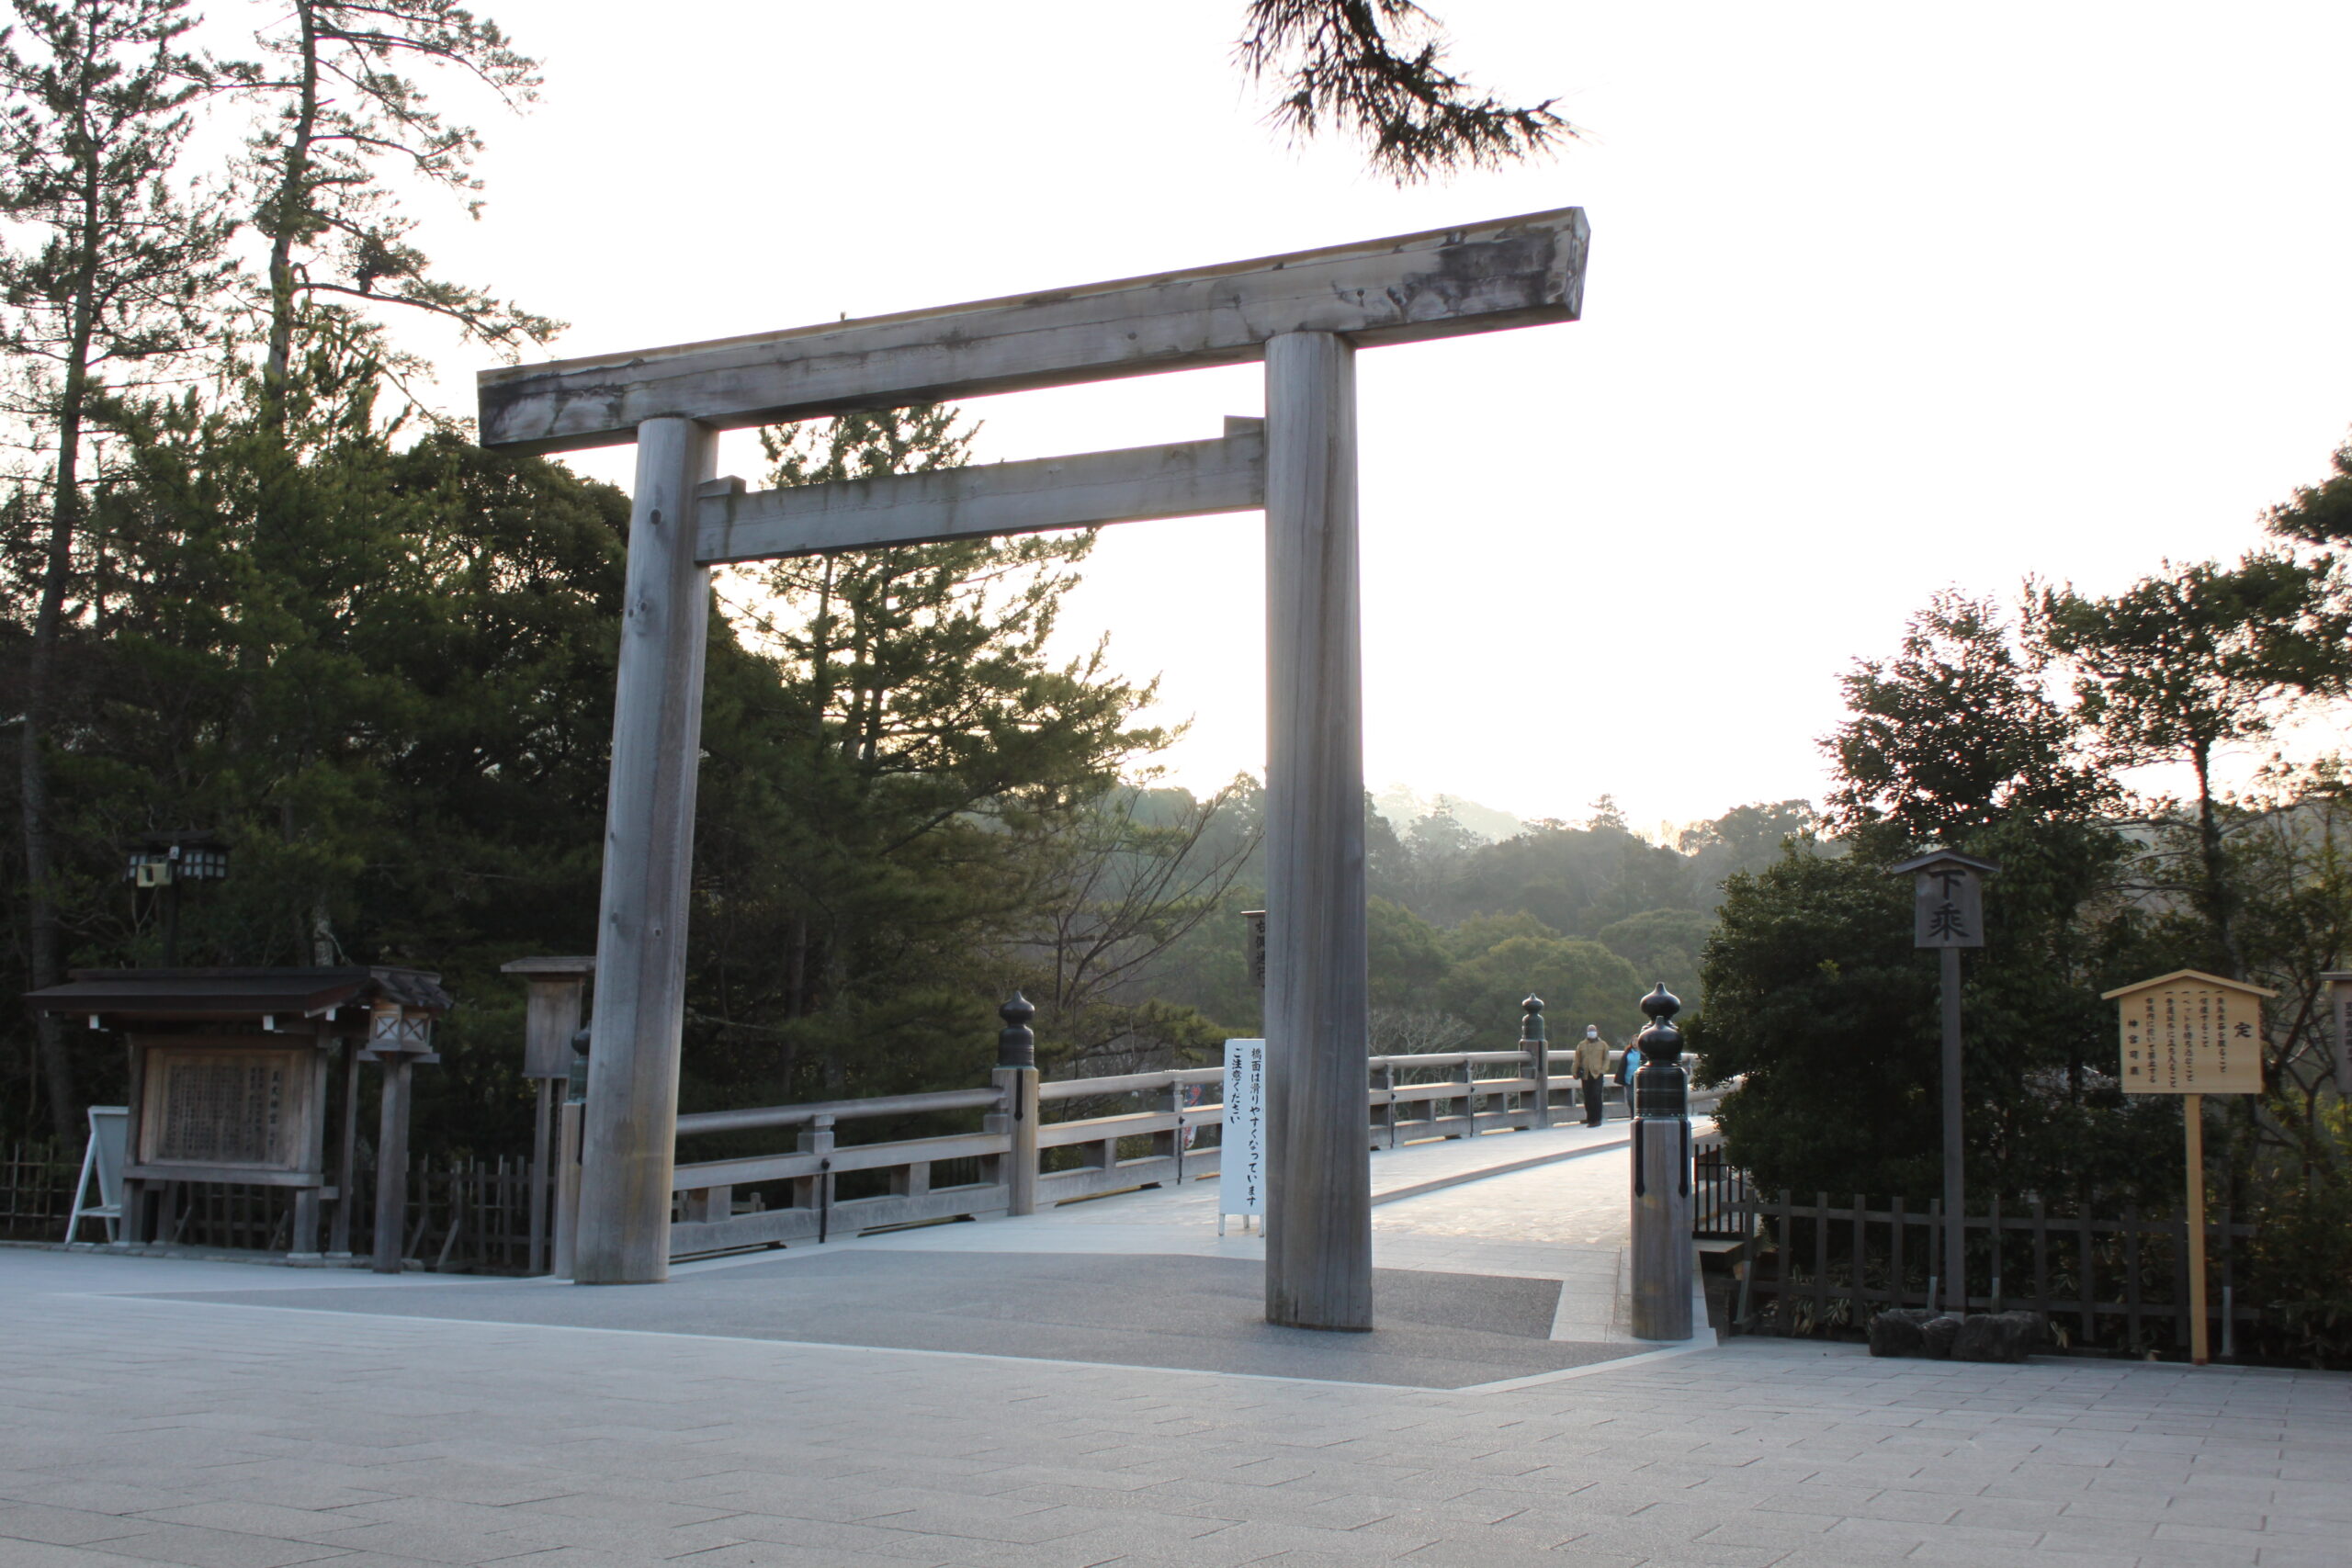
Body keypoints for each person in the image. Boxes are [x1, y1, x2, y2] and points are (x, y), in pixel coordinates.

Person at [1575, 1024, 1610, 1126]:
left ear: (1597, 1031)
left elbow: (1606, 1059)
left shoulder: (1603, 1044)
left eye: (1593, 1030)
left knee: (1596, 1095)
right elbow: (1577, 1059)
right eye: (1589, 1030)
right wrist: (1574, 1072)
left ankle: (1597, 1119)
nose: (1591, 1032)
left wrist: (1603, 1070)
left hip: (1597, 1073)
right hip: (1585, 1074)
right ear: (1586, 1032)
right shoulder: (1581, 1045)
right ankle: (1590, 1119)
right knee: (1587, 1097)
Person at [1615, 1036, 1644, 1119]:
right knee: (1630, 1097)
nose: (1635, 1043)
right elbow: (1622, 1065)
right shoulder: (1628, 1053)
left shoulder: (1643, 1053)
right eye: (1633, 1041)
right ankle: (1633, 1112)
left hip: (1640, 1078)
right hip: (1629, 1078)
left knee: (1639, 1096)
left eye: (1637, 1041)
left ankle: (1639, 1113)